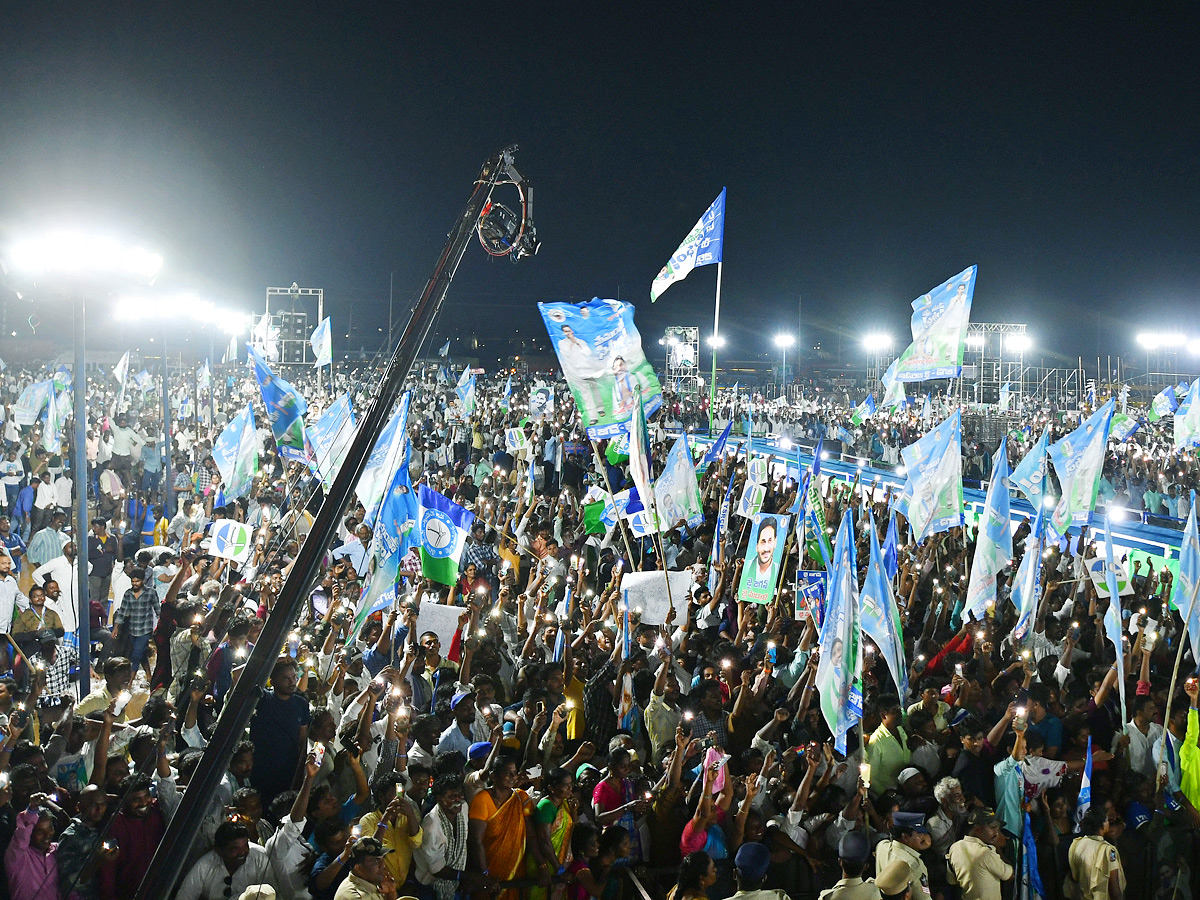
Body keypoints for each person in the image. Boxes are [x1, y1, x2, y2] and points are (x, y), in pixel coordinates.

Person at [468, 756, 539, 900]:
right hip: (489, 872)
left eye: (514, 772)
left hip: (516, 870)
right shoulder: (482, 799)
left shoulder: (521, 797)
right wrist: (485, 875)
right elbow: (476, 841)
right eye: (508, 773)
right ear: (493, 776)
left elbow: (531, 836)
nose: (513, 776)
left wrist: (541, 865)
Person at [249, 657, 311, 810]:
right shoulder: (263, 699)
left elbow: (302, 742)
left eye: (294, 677)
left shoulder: (301, 704)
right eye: (286, 679)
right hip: (262, 770)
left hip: (287, 772)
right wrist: (273, 660)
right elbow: (238, 676)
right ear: (273, 681)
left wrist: (298, 774)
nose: (292, 682)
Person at [356, 774, 424, 894]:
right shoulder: (368, 821)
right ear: (381, 797)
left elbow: (416, 843)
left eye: (401, 793)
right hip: (380, 886)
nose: (399, 799)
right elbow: (372, 852)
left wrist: (410, 815)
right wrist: (386, 818)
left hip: (406, 883)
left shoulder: (408, 816)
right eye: (393, 794)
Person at [176, 820, 273, 900]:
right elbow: (184, 896)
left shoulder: (259, 858)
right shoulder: (204, 865)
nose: (242, 852)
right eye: (235, 848)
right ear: (219, 850)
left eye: (245, 846)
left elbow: (274, 893)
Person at [56, 784, 119, 900]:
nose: (99, 809)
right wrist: (98, 861)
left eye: (103, 804)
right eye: (93, 804)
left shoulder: (107, 826)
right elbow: (68, 884)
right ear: (79, 807)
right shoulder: (70, 837)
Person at [414, 774, 470, 900]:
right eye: (452, 797)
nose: (458, 800)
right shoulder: (431, 826)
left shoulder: (463, 808)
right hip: (430, 885)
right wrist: (468, 877)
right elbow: (437, 870)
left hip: (457, 879)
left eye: (460, 794)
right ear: (439, 799)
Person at [946, 809, 1013, 900]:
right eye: (993, 827)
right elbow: (1010, 876)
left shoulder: (954, 848)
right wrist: (998, 848)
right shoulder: (985, 853)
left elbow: (951, 881)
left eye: (997, 827)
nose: (997, 832)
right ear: (977, 829)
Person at [5, 794, 60, 900]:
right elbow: (21, 836)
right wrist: (32, 810)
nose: (47, 834)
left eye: (50, 828)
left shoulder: (57, 850)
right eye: (40, 831)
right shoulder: (18, 856)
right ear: (30, 832)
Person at [1065, 807, 1125, 900]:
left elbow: (1074, 877)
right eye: (1106, 820)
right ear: (1103, 825)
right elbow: (1114, 889)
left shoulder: (1077, 844)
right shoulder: (1108, 850)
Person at [112, 567, 158, 676]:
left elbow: (158, 610)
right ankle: (149, 676)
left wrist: (159, 628)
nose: (135, 584)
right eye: (132, 581)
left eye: (137, 581)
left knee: (136, 655)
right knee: (141, 654)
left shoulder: (151, 593)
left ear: (143, 581)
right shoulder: (128, 594)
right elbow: (122, 612)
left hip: (145, 629)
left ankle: (130, 682)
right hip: (132, 630)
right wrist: (116, 628)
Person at [333, 836, 398, 900]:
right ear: (358, 868)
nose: (383, 865)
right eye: (376, 860)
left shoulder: (370, 882)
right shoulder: (357, 896)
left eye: (383, 858)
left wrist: (390, 894)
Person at [87, 518, 118, 609]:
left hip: (107, 573)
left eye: (95, 526)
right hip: (95, 573)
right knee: (94, 598)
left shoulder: (112, 539)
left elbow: (116, 553)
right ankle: (94, 620)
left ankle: (103, 619)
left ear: (102, 527)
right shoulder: (91, 539)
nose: (93, 529)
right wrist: (103, 550)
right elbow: (88, 554)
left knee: (104, 598)